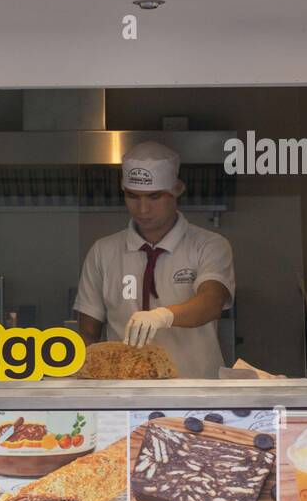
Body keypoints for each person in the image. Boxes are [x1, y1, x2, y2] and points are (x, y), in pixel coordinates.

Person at [74, 141, 235, 379]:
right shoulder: (103, 251)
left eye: (154, 197)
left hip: (196, 389)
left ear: (177, 189)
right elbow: (87, 332)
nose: (142, 209)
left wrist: (163, 316)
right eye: (132, 196)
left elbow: (211, 302)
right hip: (123, 396)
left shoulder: (208, 245)